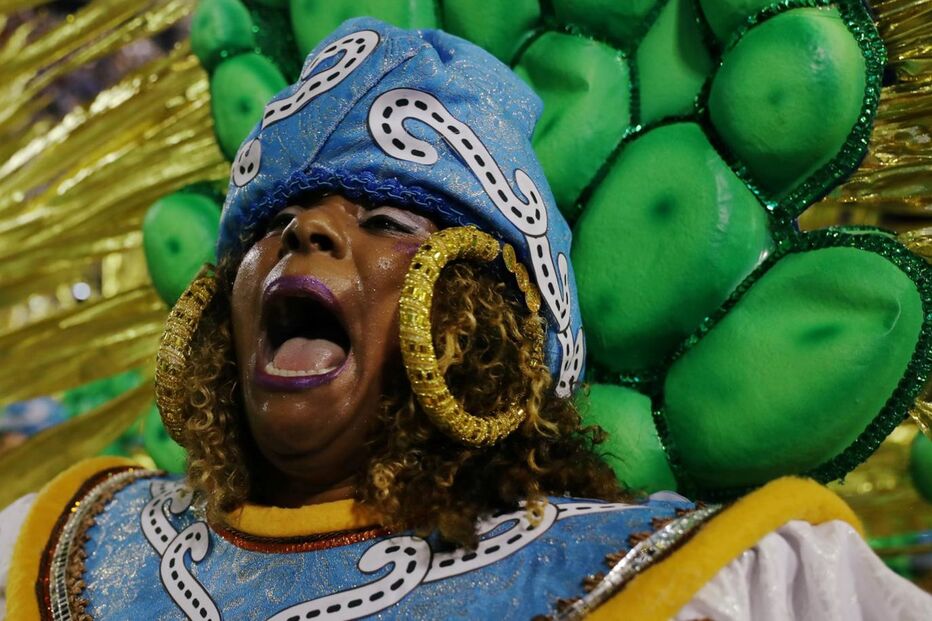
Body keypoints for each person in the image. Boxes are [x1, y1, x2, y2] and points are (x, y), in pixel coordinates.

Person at [1, 18, 929, 620]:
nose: (309, 231)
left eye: (385, 220)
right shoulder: (62, 552)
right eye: (275, 222)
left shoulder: (710, 586)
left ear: (475, 319)